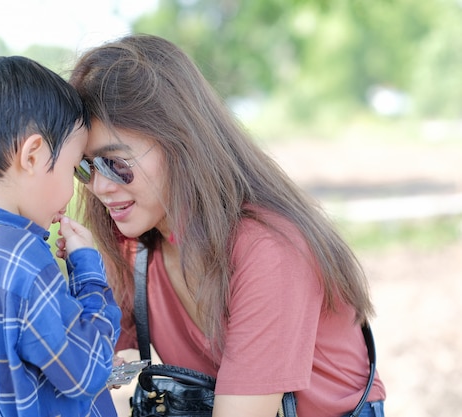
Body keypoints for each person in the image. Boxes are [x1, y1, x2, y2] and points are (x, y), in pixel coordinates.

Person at [67, 34, 386, 417]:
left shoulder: (269, 248)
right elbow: (65, 361)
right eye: (85, 166)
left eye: (115, 162)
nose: (100, 187)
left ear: (180, 143)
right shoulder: (134, 246)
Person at [0, 55, 122, 417]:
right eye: (75, 166)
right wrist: (88, 272)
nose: (75, 190)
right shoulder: (22, 256)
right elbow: (87, 370)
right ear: (33, 156)